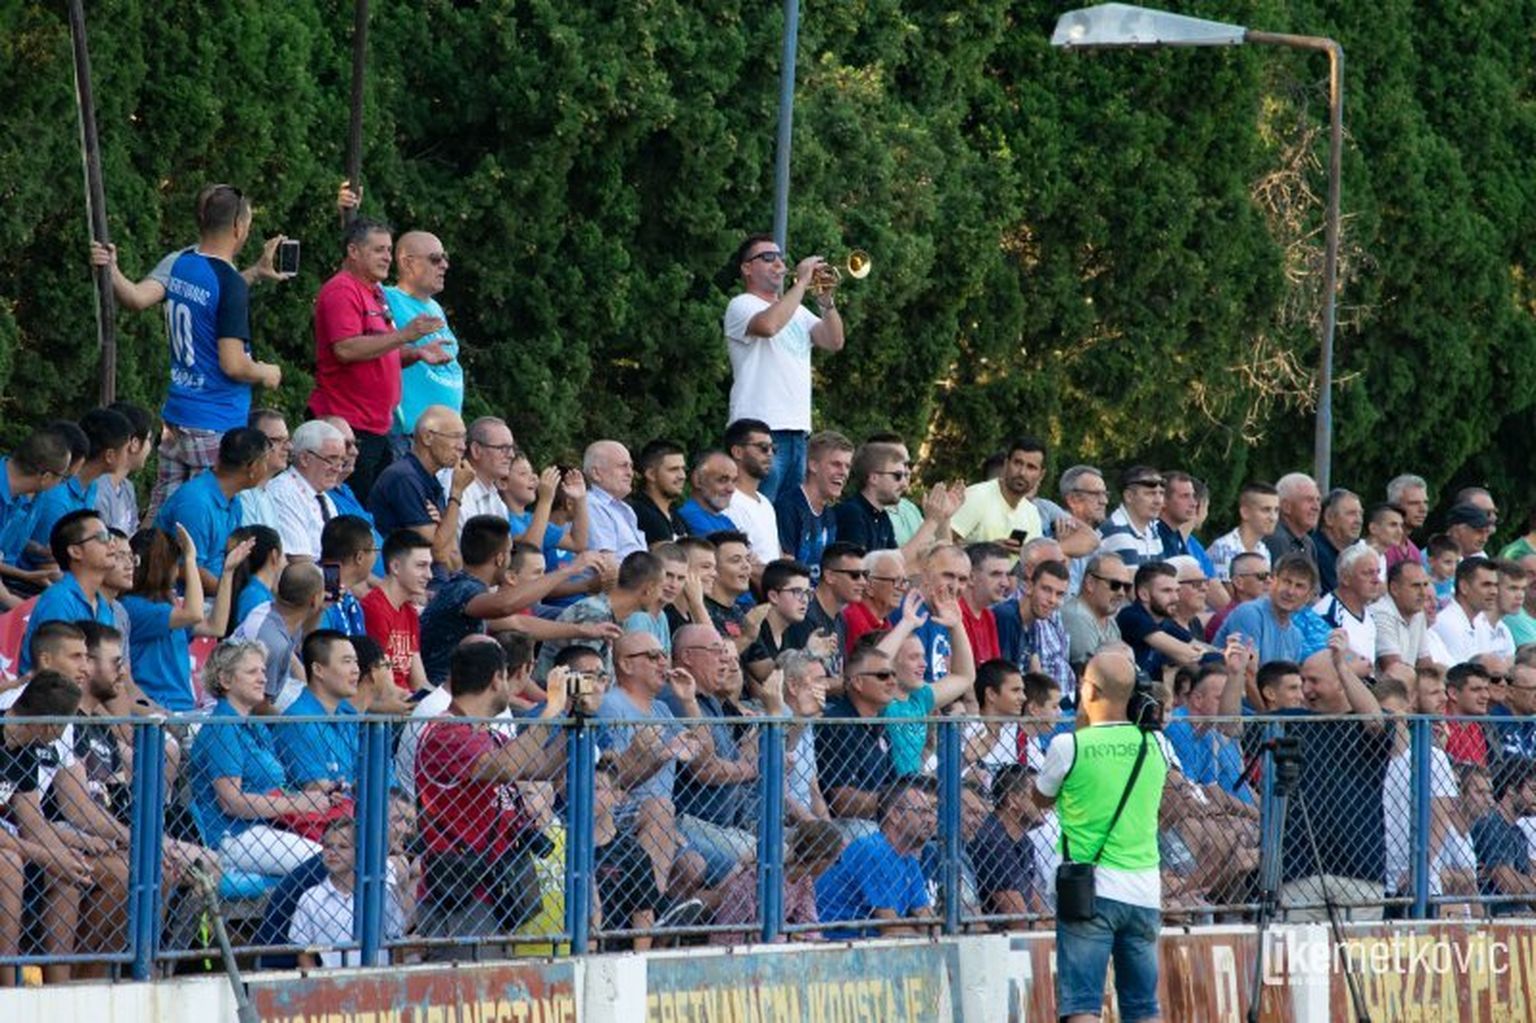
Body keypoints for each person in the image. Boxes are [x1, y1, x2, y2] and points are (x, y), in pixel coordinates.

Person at [115, 187, 285, 519]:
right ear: (238, 226)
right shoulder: (229, 283)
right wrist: (267, 372)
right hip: (216, 420)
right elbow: (233, 364)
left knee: (162, 516)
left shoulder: (181, 262)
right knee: (208, 516)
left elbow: (136, 298)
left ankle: (147, 553)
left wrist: (110, 268)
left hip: (179, 415)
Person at [1032, 650, 1175, 1023]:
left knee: (1082, 1004)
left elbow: (1040, 798)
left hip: (1089, 889)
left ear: (1089, 691)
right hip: (1144, 887)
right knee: (1143, 1006)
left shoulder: (1069, 746)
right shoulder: (1157, 744)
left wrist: (1082, 726)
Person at [414, 640, 568, 956]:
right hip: (460, 895)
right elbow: (507, 766)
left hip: (495, 889)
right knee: (467, 984)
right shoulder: (446, 731)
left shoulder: (486, 734)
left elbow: (541, 767)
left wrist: (574, 718)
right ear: (497, 679)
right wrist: (550, 709)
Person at [308, 216, 448, 502]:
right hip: (349, 426)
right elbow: (346, 349)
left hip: (377, 427)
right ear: (353, 251)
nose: (387, 257)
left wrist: (416, 353)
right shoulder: (342, 289)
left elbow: (380, 352)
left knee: (375, 512)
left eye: (388, 250)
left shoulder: (374, 293)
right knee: (351, 511)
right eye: (378, 250)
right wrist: (405, 335)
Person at [187, 639, 344, 874]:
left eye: (263, 671)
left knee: (346, 851)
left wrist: (319, 794)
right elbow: (231, 802)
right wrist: (298, 803)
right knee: (330, 860)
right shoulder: (223, 727)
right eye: (252, 672)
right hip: (234, 835)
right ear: (225, 680)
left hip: (269, 829)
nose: (263, 678)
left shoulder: (256, 726)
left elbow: (277, 787)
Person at [723, 233, 845, 501]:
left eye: (780, 257)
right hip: (758, 429)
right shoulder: (741, 304)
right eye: (768, 258)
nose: (779, 263)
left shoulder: (797, 312)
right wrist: (801, 282)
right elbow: (768, 326)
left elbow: (834, 341)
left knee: (786, 516)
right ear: (747, 268)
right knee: (756, 506)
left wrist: (826, 301)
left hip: (798, 431)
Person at [1273, 641, 1390, 919]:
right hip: (1299, 871)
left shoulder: (1366, 721)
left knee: (1358, 948)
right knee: (1293, 948)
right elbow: (1231, 726)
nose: (1306, 689)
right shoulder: (1292, 720)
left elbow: (1375, 723)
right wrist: (1236, 674)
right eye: (1303, 681)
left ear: (1341, 682)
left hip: (1360, 870)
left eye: (1314, 680)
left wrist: (1341, 666)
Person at [420, 515, 610, 685]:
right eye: (510, 552)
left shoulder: (466, 588)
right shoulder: (464, 590)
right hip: (438, 697)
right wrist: (571, 570)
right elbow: (505, 606)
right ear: (500, 559)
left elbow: (519, 622)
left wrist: (583, 630)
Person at [121, 526, 245, 711]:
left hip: (182, 707)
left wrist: (228, 573)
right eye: (175, 563)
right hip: (157, 709)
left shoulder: (169, 611)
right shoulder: (133, 607)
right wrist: (190, 559)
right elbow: (194, 613)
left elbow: (216, 626)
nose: (178, 571)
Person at [814, 777, 937, 939]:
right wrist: (930, 937)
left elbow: (928, 921)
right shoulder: (873, 850)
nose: (930, 820)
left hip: (868, 942)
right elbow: (891, 929)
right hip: (838, 942)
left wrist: (934, 934)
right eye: (921, 812)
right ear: (895, 815)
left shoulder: (909, 859)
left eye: (930, 812)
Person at [155, 426, 273, 589]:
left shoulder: (234, 501)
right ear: (252, 467)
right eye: (265, 461)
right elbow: (186, 568)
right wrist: (229, 595)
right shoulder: (196, 503)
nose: (267, 468)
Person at [24, 408, 136, 572]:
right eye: (127, 449)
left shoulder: (91, 487)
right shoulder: (57, 497)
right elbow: (46, 562)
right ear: (109, 456)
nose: (130, 455)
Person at [289, 817, 408, 968]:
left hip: (378, 976)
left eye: (343, 846)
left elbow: (396, 943)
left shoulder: (382, 895)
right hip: (335, 979)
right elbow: (303, 951)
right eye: (327, 846)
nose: (333, 853)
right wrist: (320, 981)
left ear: (359, 852)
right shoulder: (311, 898)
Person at [384, 231, 462, 448]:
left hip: (446, 437)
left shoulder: (435, 307)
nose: (444, 265)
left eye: (445, 257)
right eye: (435, 259)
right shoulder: (386, 297)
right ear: (407, 263)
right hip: (410, 436)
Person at [368, 404, 470, 571]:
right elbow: (439, 554)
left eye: (464, 438)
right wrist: (457, 493)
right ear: (428, 437)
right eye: (455, 437)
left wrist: (443, 523)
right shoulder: (405, 478)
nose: (462, 447)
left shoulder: (430, 480)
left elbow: (454, 562)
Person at [17, 510, 119, 675]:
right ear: (75, 551)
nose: (112, 544)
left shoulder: (104, 606)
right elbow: (55, 675)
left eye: (111, 537)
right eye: (102, 537)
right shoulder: (58, 601)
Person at [711, 819, 843, 944]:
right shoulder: (764, 877)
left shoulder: (803, 881)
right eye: (836, 861)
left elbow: (809, 923)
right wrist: (793, 938)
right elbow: (761, 932)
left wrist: (814, 942)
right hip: (731, 944)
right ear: (821, 864)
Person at [817, 644, 902, 825]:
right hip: (843, 826)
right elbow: (842, 802)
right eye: (883, 675)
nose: (893, 682)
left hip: (878, 821)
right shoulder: (836, 724)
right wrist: (898, 802)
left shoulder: (879, 724)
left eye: (894, 675)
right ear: (857, 682)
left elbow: (893, 784)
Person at [273, 630, 364, 792]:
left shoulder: (347, 716)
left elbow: (365, 775)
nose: (356, 669)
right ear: (318, 670)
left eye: (355, 662)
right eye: (347, 661)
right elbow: (315, 789)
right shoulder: (298, 720)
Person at [234, 561, 326, 708]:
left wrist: (318, 609)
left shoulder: (275, 611)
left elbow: (304, 641)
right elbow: (259, 706)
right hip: (234, 712)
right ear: (314, 599)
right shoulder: (274, 642)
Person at [972, 764, 1050, 921]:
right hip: (991, 933)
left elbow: (1040, 910)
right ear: (1013, 800)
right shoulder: (991, 840)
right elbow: (1019, 921)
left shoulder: (1025, 842)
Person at [0, 427, 73, 593]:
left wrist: (35, 557)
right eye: (62, 477)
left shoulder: (17, 497)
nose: (61, 483)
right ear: (46, 477)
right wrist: (14, 601)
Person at [362, 530, 434, 694]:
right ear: (395, 567)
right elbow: (384, 688)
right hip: (388, 705)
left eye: (429, 566)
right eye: (421, 566)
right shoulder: (374, 609)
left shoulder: (409, 612)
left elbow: (419, 682)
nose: (430, 575)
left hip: (407, 701)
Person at [1212, 552, 1317, 666]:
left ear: (1308, 596)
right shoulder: (1250, 613)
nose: (1290, 591)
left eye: (1299, 586)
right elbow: (1248, 672)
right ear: (1273, 581)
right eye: (1286, 581)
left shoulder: (1295, 636)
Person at [266, 419, 347, 563]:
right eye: (332, 459)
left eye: (342, 461)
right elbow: (300, 562)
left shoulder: (325, 499)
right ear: (304, 458)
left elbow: (337, 557)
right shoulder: (283, 493)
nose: (338, 469)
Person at [775, 429, 852, 579]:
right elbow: (786, 572)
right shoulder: (788, 506)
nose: (843, 472)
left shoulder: (829, 515)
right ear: (813, 465)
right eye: (836, 464)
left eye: (847, 466)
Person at [1116, 561, 1209, 680]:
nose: (1175, 598)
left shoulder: (1164, 622)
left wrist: (1225, 654)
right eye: (1167, 591)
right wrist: (1204, 654)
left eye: (1177, 591)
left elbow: (1196, 645)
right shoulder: (1131, 617)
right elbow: (1187, 655)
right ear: (1144, 595)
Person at [996, 559, 1077, 696]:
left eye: (1059, 594)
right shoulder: (1007, 617)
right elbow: (1003, 681)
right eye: (1046, 590)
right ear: (1029, 587)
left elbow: (1036, 673)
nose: (1052, 600)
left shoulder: (1034, 621)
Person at [1469, 761, 1536, 914]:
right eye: (1534, 789)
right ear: (1511, 789)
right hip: (1493, 916)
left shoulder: (1518, 833)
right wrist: (1525, 882)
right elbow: (1508, 883)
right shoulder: (1492, 823)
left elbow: (1525, 883)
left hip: (1517, 917)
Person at [723, 418, 783, 562]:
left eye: (773, 448)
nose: (770, 454)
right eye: (763, 447)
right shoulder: (728, 502)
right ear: (737, 452)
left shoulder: (766, 503)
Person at [1312, 543, 1381, 664]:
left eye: (1378, 572)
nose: (1376, 580)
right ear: (1345, 578)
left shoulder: (1369, 616)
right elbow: (1322, 664)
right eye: (1367, 573)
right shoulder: (1326, 614)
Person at [1063, 553, 1130, 673]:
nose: (1122, 593)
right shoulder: (1076, 616)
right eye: (1115, 585)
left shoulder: (1108, 619)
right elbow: (1096, 673)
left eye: (1126, 587)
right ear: (1090, 583)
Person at [583, 440, 646, 559]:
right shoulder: (591, 505)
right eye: (623, 466)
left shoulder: (625, 509)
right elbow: (606, 563)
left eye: (631, 466)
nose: (630, 473)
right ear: (596, 473)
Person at [1207, 482, 1279, 582]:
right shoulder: (1224, 549)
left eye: (1276, 510)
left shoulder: (1263, 551)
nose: (1273, 517)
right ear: (1245, 512)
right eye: (1266, 510)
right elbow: (1225, 591)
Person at [1432, 556, 1499, 664]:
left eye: (1496, 585)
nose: (1494, 591)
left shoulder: (1481, 621)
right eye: (1486, 585)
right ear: (1464, 587)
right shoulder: (1447, 623)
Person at [316, 515, 375, 637]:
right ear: (359, 557)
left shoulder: (348, 598)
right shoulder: (318, 596)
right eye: (374, 551)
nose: (376, 557)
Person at [235, 408, 290, 530]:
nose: (288, 447)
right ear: (251, 443)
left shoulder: (267, 493)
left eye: (286, 440)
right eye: (277, 440)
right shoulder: (241, 494)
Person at [1373, 559, 1432, 673]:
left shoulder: (1418, 613)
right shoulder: (1381, 613)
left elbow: (1425, 663)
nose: (1423, 593)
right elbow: (1395, 670)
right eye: (1416, 586)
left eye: (1425, 585)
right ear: (1394, 588)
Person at [628, 439, 688, 546]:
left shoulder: (675, 515)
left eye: (683, 469)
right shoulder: (640, 513)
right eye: (674, 469)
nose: (682, 476)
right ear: (651, 474)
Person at [961, 542, 1012, 665]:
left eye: (1007, 575)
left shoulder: (988, 616)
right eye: (996, 574)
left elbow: (995, 670)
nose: (1005, 583)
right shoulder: (956, 614)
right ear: (971, 577)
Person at [1311, 488, 1362, 595]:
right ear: (1329, 518)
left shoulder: (1360, 551)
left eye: (1360, 514)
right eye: (1351, 514)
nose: (1358, 520)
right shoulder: (1313, 550)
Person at [677, 450, 739, 537]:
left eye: (734, 481)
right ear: (698, 480)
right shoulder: (690, 514)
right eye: (723, 480)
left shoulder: (725, 521)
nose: (731, 489)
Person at [1264, 472, 1321, 564]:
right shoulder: (1276, 540)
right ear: (1286, 507)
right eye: (1309, 500)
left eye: (1318, 500)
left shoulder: (1308, 543)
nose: (1316, 507)